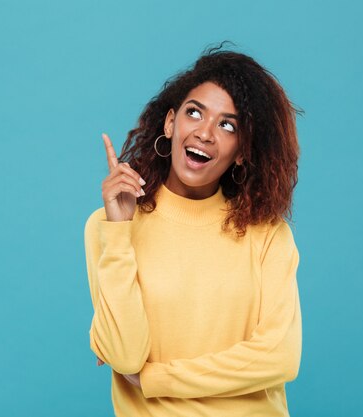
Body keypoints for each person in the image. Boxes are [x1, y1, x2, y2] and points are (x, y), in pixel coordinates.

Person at [83, 45, 302, 417]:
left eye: (227, 125)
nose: (205, 133)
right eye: (194, 113)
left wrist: (156, 379)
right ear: (170, 123)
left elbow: (280, 357)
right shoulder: (109, 226)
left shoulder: (267, 235)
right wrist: (119, 233)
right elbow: (125, 355)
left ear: (242, 151)